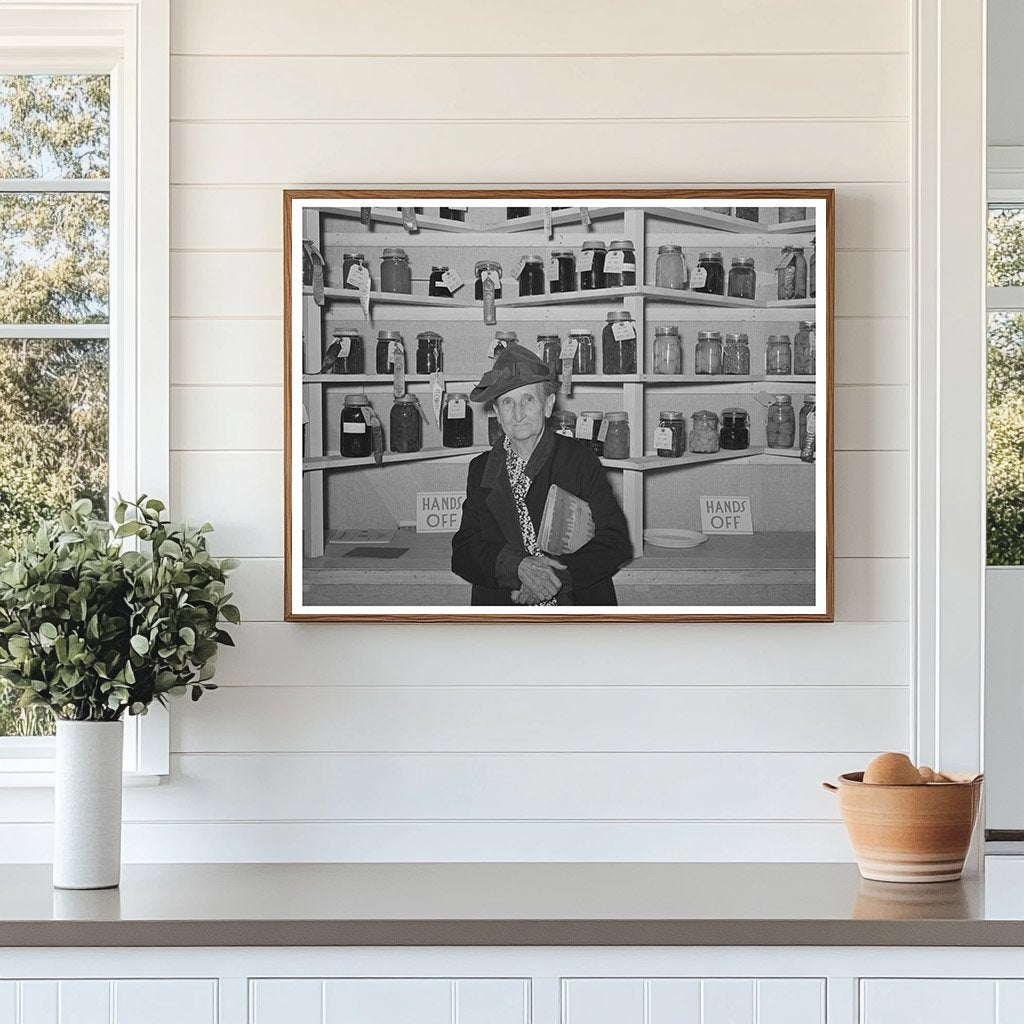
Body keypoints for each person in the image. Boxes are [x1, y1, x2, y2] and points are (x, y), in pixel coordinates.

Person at [451, 342, 632, 606]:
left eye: (528, 399)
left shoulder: (578, 460)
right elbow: (464, 550)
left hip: (574, 608)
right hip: (504, 615)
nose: (518, 413)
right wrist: (518, 567)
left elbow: (615, 541)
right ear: (497, 414)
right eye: (507, 402)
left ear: (547, 406)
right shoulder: (481, 469)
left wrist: (550, 580)